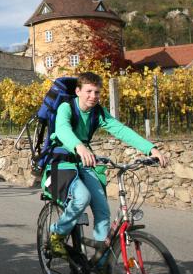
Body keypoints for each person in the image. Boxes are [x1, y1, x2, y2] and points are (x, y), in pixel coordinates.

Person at [46, 72, 168, 262]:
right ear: (78, 91)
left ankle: (103, 265)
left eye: (97, 92)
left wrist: (150, 149)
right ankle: (57, 233)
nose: (93, 96)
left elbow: (120, 130)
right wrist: (78, 146)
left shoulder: (98, 112)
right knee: (82, 197)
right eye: (88, 91)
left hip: (85, 160)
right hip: (62, 160)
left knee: (103, 211)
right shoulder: (66, 107)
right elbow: (62, 129)